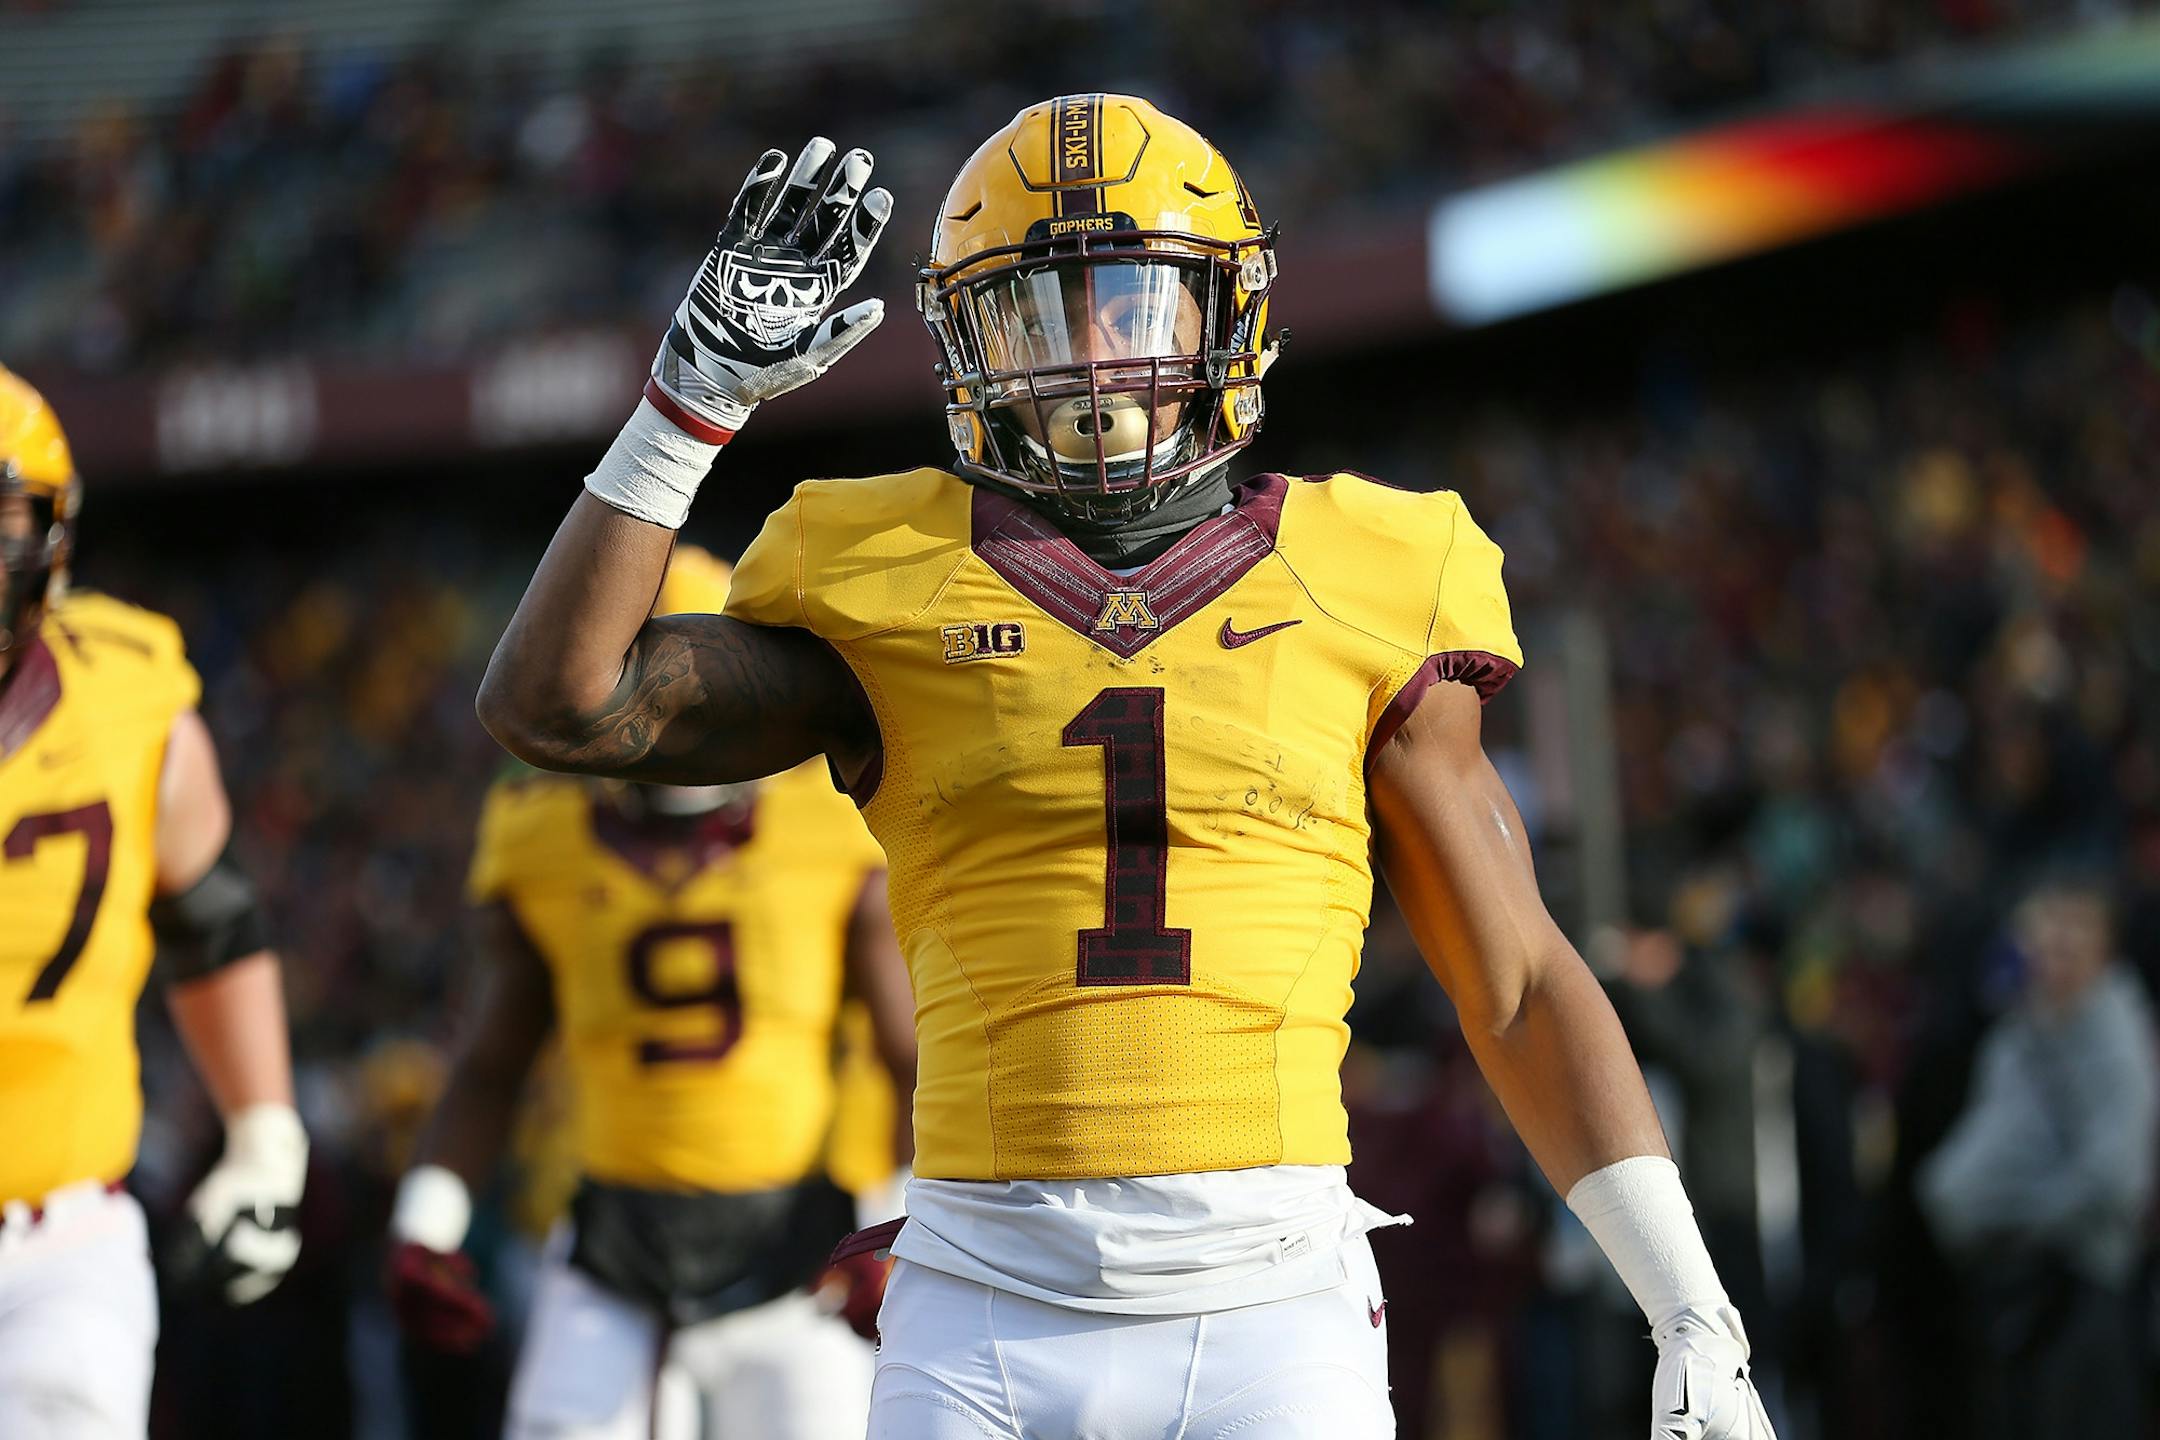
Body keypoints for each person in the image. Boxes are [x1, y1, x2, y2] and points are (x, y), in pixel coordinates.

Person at [477, 98, 1775, 1439]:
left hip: (1272, 1304)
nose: (1087, 355)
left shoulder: (1375, 571)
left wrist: (1690, 1308)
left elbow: (1514, 989)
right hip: (979, 1298)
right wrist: (687, 405)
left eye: (1128, 302)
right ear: (968, 342)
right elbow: (561, 709)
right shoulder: (870, 575)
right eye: (1037, 313)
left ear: (1229, 315)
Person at [389, 545, 916, 1440]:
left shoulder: (826, 830)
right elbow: (491, 1063)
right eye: (642, 691)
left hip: (802, 1247)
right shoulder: (539, 840)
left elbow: (916, 1060)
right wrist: (427, 1222)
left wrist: (904, 1231)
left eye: (689, 694)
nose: (667, 722)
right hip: (611, 1247)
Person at [0, 364, 308, 1437]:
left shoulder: (132, 697)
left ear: (52, 538)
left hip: (59, 1247)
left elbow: (212, 921)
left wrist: (265, 1135)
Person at [1918, 876, 2158, 1440]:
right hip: (2016, 1291)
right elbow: (1967, 1167)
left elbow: (2119, 1181)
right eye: (2045, 931)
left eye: (2073, 931)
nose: (2057, 947)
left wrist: (2014, 1217)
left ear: (2104, 946)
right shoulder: (2019, 1034)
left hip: (2083, 1290)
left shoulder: (2117, 1038)